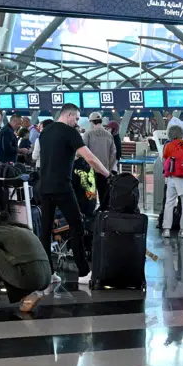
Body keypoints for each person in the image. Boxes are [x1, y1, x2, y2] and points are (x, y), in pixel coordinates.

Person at [36, 104, 112, 278]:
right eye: (76, 118)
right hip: (62, 187)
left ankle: (48, 272)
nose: (77, 122)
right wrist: (107, 174)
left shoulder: (45, 132)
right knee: (77, 225)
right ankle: (84, 272)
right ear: (68, 115)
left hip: (44, 186)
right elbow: (90, 158)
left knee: (45, 230)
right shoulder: (70, 132)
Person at [0, 210, 54, 313]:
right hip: (46, 278)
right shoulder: (22, 229)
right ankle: (27, 297)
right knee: (8, 260)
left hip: (31, 277)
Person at [160, 125, 183, 238]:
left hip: (172, 178)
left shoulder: (168, 145)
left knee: (169, 203)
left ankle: (166, 230)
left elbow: (164, 162)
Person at [84, 112, 118, 212]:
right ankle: (103, 216)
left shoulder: (88, 134)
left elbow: (83, 151)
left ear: (91, 122)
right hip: (105, 170)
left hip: (91, 169)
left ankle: (90, 216)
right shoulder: (109, 135)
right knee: (104, 194)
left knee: (91, 195)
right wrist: (108, 168)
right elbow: (113, 153)